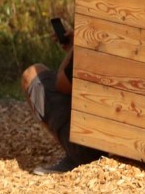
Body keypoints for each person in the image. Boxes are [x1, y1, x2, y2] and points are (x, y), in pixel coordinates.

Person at [21, 18, 101, 174]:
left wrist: (75, 49)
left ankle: (75, 156)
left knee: (32, 74)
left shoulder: (96, 37)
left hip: (94, 146)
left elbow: (61, 84)